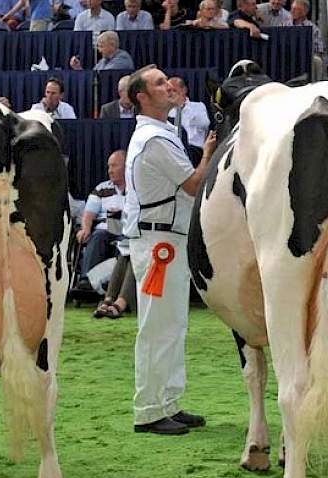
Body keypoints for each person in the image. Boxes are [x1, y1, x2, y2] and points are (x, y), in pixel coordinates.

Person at [123, 65, 217, 436]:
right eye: (159, 83)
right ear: (141, 98)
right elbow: (194, 184)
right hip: (158, 240)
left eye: (169, 81)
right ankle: (148, 409)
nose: (170, 86)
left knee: (172, 324)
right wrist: (208, 152)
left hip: (167, 237)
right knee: (157, 327)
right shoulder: (154, 139)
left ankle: (168, 402)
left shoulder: (160, 133)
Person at [76, 150, 128, 290]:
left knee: (124, 243)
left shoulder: (135, 189)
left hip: (127, 230)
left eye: (114, 166)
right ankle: (86, 281)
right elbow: (88, 213)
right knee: (98, 236)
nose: (110, 171)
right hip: (104, 229)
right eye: (109, 166)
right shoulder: (101, 188)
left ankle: (112, 285)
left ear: (126, 166)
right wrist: (85, 228)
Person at [167, 75, 210, 165]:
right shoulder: (166, 111)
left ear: (184, 90)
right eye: (169, 91)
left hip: (194, 150)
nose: (171, 94)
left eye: (174, 90)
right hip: (173, 150)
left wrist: (180, 107)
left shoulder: (198, 106)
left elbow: (205, 124)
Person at [289, 0, 325, 80]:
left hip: (306, 58)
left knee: (317, 60)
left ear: (305, 12)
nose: (292, 11)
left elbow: (319, 51)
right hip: (287, 56)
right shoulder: (284, 25)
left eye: (296, 9)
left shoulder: (314, 29)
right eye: (291, 9)